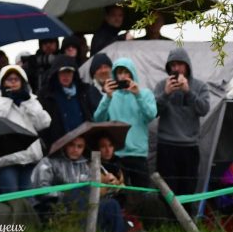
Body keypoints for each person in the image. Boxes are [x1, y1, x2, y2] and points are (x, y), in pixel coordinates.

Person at [31, 135, 127, 232]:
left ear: (84, 147)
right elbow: (40, 190)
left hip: (85, 205)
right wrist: (68, 194)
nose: (75, 149)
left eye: (80, 146)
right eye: (72, 145)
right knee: (79, 192)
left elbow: (96, 192)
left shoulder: (87, 164)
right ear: (65, 144)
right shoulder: (49, 161)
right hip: (57, 206)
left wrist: (107, 184)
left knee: (112, 204)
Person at [0, 65, 51, 193]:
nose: (13, 82)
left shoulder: (31, 100)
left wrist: (27, 102)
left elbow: (44, 123)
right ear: (2, 83)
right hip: (7, 162)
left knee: (29, 201)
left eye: (16, 79)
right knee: (12, 201)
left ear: (23, 82)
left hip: (30, 160)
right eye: (9, 79)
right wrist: (7, 100)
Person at [92, 57, 157, 189]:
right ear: (115, 75)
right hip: (117, 155)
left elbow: (151, 115)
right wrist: (107, 97)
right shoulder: (111, 95)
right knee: (120, 195)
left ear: (132, 73)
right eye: (119, 72)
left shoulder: (144, 93)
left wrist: (137, 95)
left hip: (138, 154)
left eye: (126, 72)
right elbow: (98, 119)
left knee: (142, 195)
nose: (123, 76)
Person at [154, 46, 210, 196]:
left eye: (179, 64)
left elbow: (204, 109)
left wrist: (188, 92)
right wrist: (165, 94)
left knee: (188, 189)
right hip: (166, 144)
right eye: (172, 65)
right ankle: (167, 220)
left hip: (190, 146)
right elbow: (153, 112)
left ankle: (186, 220)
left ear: (187, 65)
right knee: (167, 191)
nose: (176, 68)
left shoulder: (199, 86)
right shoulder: (162, 85)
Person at [39, 56, 92, 150]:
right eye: (62, 72)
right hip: (58, 149)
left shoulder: (84, 92)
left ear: (74, 74)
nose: (66, 76)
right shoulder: (46, 95)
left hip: (82, 147)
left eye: (69, 72)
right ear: (56, 74)